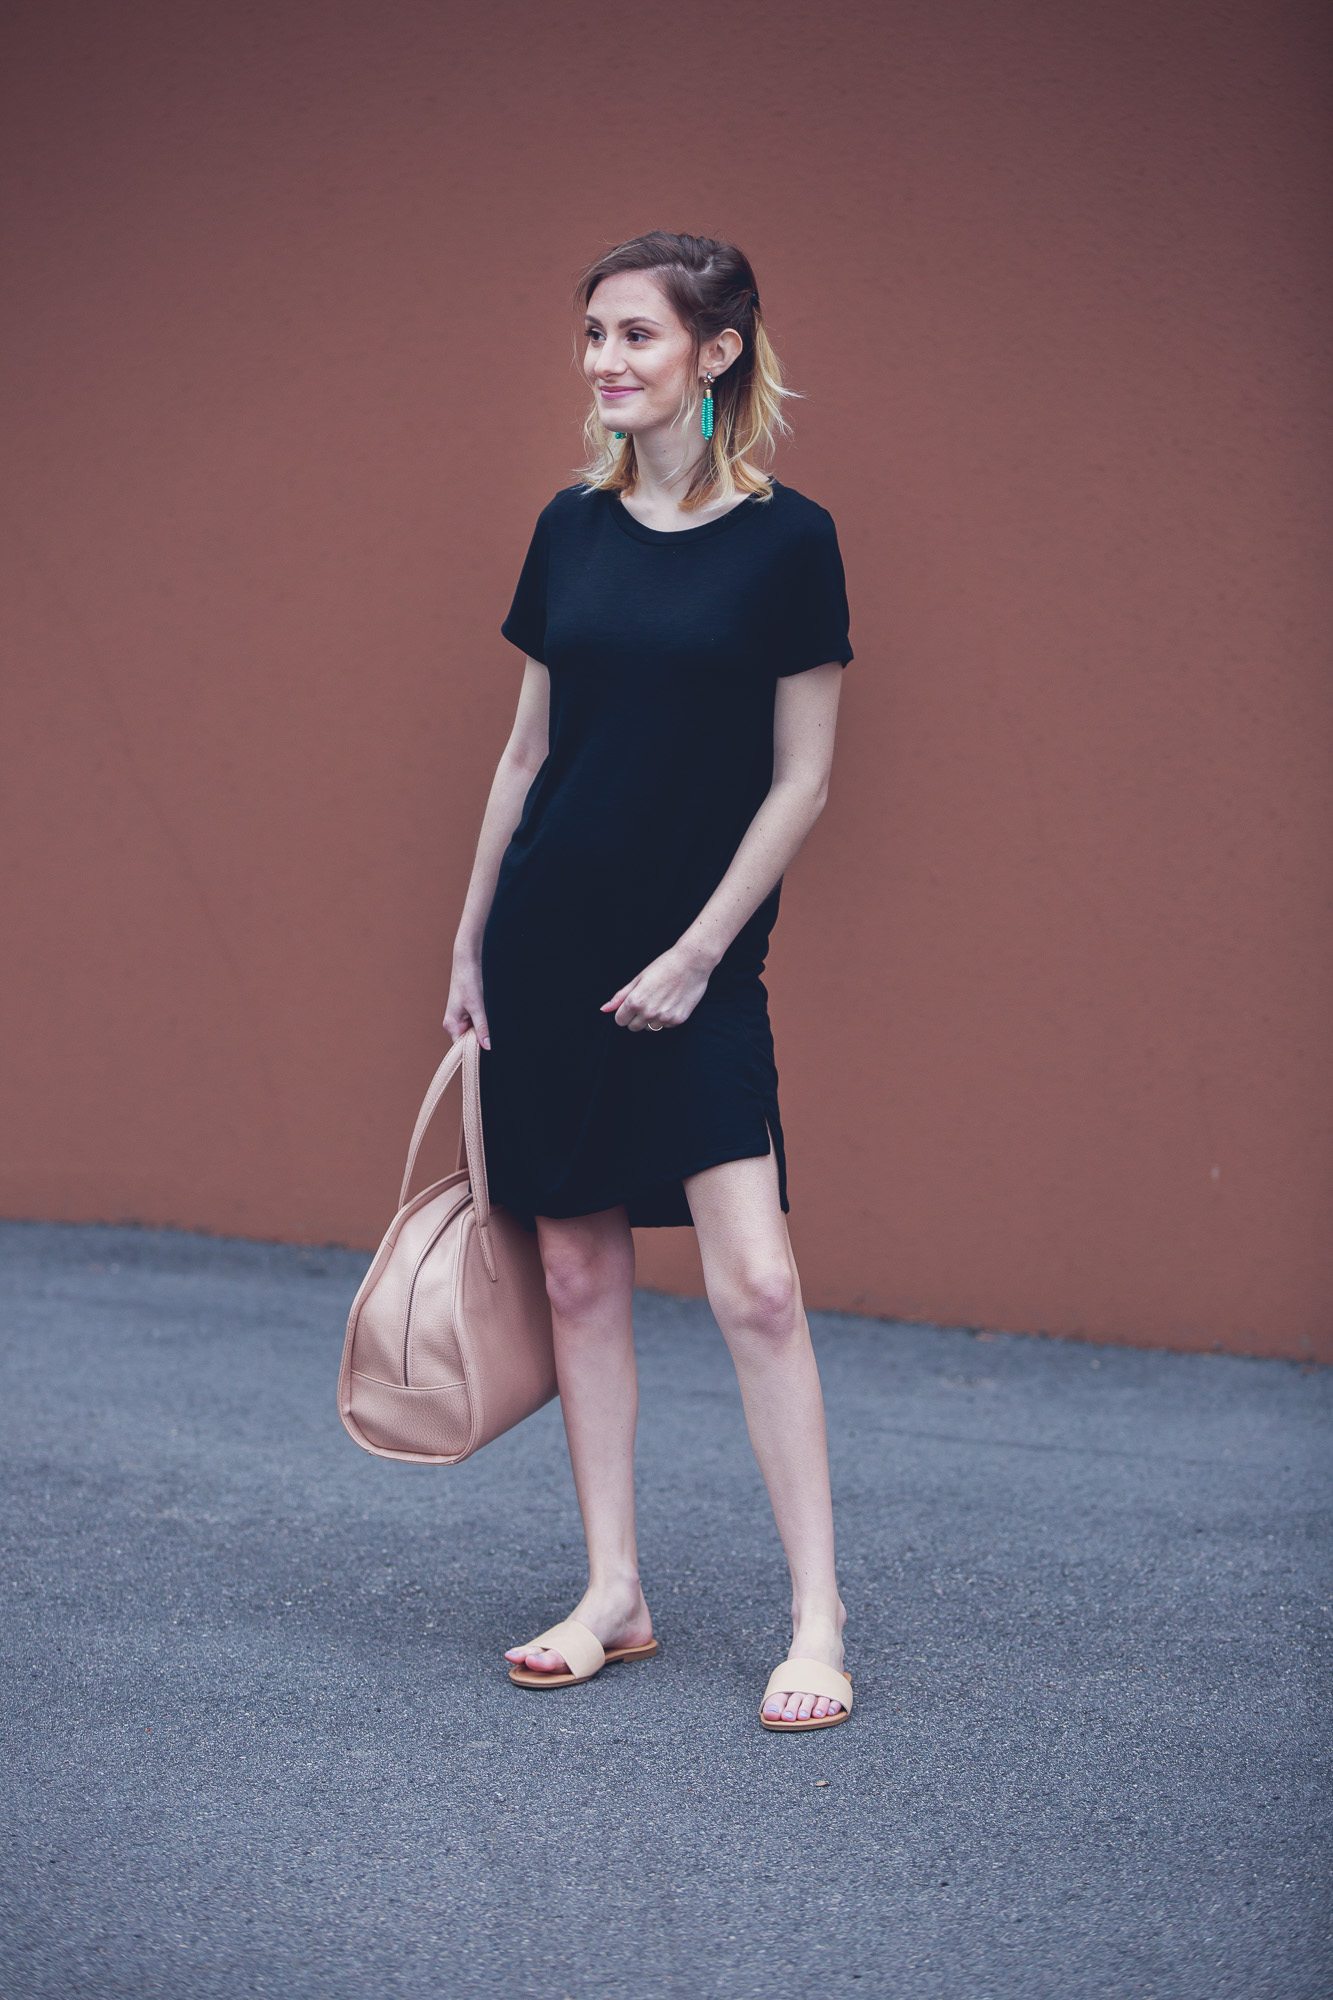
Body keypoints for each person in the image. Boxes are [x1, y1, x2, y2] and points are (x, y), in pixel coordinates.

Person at [443, 231, 854, 1731]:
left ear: (715, 352)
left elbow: (801, 783)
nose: (606, 361)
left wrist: (697, 953)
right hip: (548, 946)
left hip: (698, 962)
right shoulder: (569, 527)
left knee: (754, 1282)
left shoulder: (788, 540)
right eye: (594, 337)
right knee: (573, 1273)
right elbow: (524, 755)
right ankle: (613, 1589)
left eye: (635, 336)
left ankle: (817, 1616)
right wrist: (470, 943)